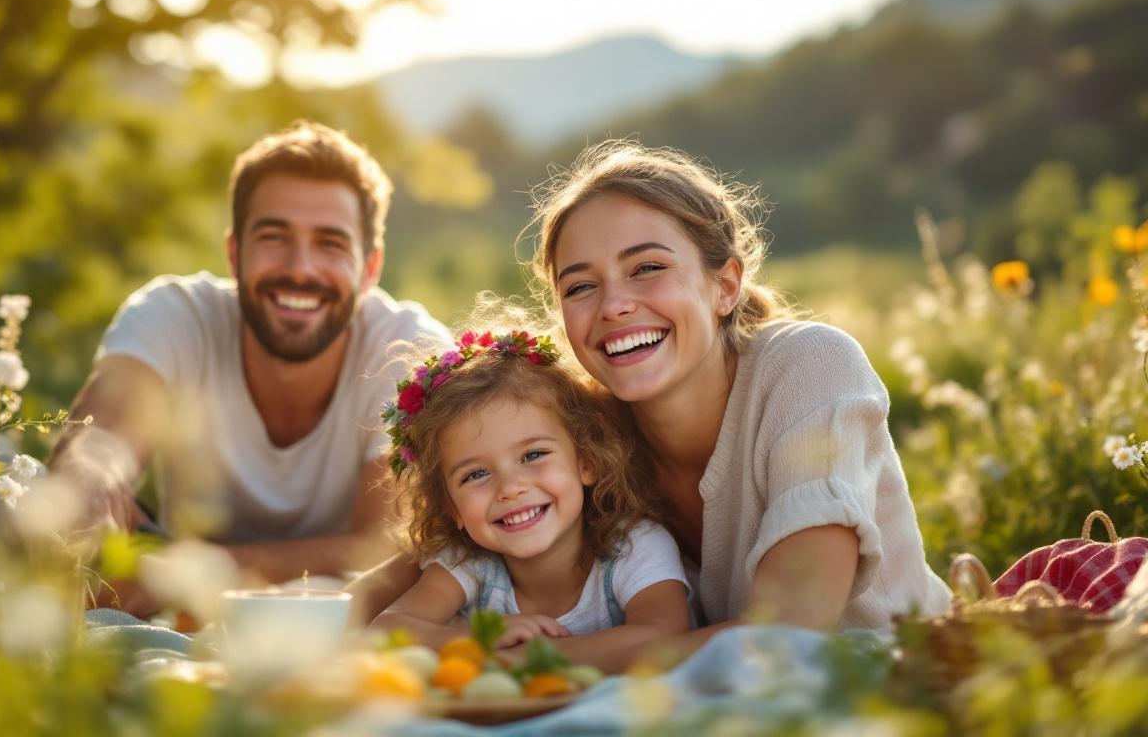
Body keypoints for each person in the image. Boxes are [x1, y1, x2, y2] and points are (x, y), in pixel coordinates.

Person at [348, 139, 949, 655]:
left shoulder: (809, 367)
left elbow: (787, 635)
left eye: (647, 268)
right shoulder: (587, 434)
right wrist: (298, 628)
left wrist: (533, 664)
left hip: (893, 686)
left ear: (724, 285)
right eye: (581, 285)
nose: (613, 306)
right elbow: (419, 565)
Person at [49, 121, 447, 612]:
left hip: (340, 623)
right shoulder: (174, 314)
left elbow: (387, 544)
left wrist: (192, 571)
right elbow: (102, 432)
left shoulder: (409, 348)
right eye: (274, 236)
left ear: (369, 269)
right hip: (180, 620)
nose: (300, 268)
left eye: (330, 243)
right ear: (234, 254)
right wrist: (91, 475)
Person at [369, 330, 691, 672]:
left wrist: (526, 659)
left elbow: (664, 635)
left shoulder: (633, 545)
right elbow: (385, 630)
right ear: (452, 508)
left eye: (533, 455)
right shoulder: (471, 563)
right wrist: (475, 641)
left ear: (587, 461)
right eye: (475, 475)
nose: (510, 488)